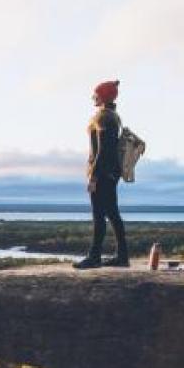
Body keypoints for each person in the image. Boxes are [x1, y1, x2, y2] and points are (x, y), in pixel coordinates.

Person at [73, 79, 128, 269]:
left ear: (103, 96)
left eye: (96, 94)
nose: (93, 97)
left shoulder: (102, 117)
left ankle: (94, 256)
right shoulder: (114, 116)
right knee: (113, 214)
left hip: (103, 173)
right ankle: (122, 256)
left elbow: (102, 151)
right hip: (112, 173)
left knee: (99, 215)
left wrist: (94, 176)